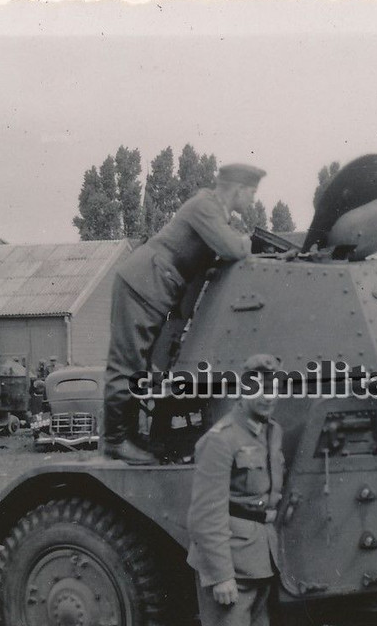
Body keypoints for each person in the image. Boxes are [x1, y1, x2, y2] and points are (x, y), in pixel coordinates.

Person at [104, 163, 267, 465]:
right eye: (252, 192)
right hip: (143, 283)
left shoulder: (215, 212)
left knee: (139, 365)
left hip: (154, 287)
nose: (253, 199)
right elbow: (233, 248)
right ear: (238, 189)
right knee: (127, 363)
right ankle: (115, 441)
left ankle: (130, 437)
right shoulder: (204, 207)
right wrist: (250, 241)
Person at [186, 353, 284, 626]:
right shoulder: (221, 439)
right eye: (258, 389)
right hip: (231, 560)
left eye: (273, 389)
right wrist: (220, 575)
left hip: (260, 554)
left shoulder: (272, 432)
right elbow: (205, 514)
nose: (267, 397)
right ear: (242, 390)